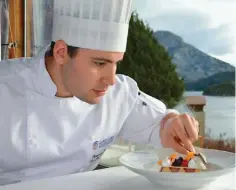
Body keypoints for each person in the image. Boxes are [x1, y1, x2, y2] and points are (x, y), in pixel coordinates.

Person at [0, 0, 199, 185]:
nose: (111, 80)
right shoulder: (5, 88)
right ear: (61, 52)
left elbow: (161, 125)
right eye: (99, 63)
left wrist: (172, 123)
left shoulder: (117, 93)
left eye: (115, 63)